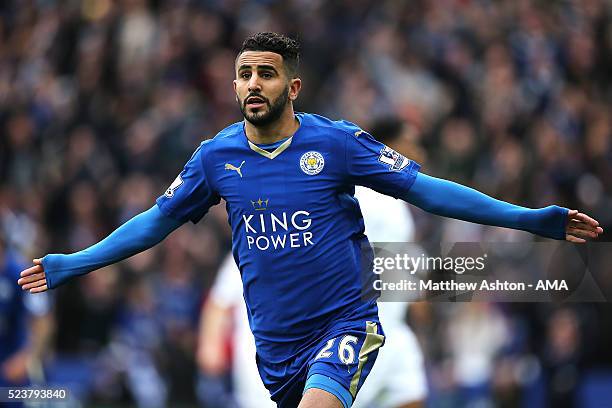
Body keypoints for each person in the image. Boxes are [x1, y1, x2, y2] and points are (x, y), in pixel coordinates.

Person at [18, 32, 603, 408]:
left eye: (265, 74)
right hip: (276, 353)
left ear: (291, 86)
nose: (253, 84)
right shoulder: (215, 158)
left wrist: (532, 220)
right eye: (244, 74)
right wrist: (76, 262)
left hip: (346, 327)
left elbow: (429, 192)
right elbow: (153, 223)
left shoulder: (338, 145)